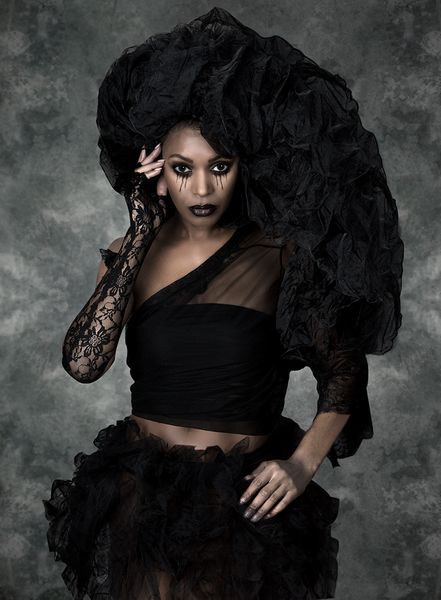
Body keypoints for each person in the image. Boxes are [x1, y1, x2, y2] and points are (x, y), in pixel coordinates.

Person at [42, 7, 404, 600]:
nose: (202, 187)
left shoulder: (280, 253)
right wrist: (140, 228)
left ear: (242, 168)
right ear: (157, 172)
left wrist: (301, 464)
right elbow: (83, 364)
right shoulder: (129, 253)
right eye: (182, 169)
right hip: (138, 494)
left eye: (219, 166)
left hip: (239, 501)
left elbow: (343, 370)